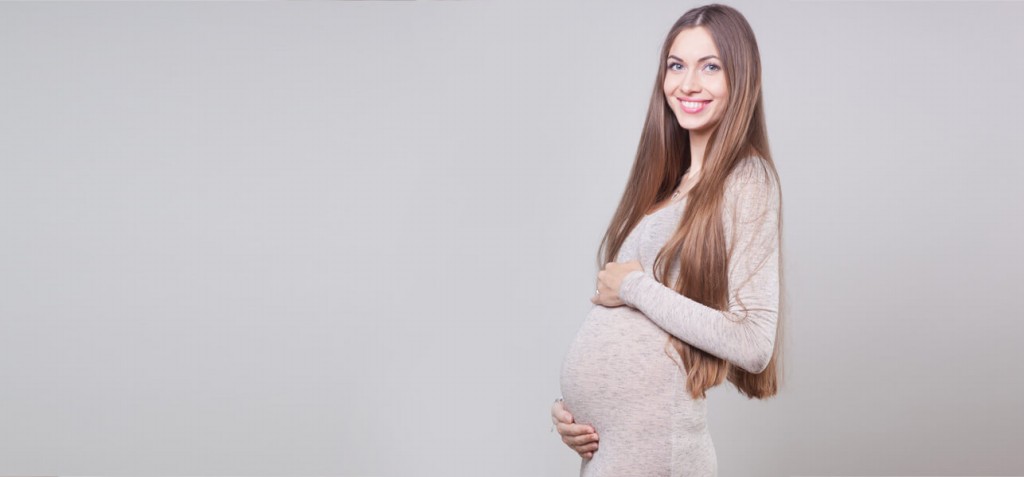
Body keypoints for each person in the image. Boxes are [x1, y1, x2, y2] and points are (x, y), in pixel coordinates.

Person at [551, 4, 785, 476]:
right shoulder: (670, 187)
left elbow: (754, 341)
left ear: (742, 79)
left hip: (659, 449)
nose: (688, 84)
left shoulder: (747, 178)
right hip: (617, 451)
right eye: (676, 65)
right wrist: (571, 411)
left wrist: (634, 287)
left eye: (711, 67)